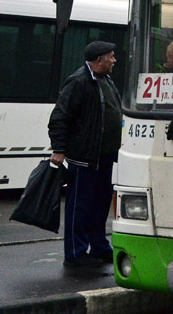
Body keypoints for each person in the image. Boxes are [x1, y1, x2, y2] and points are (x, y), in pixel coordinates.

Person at [48, 41, 122, 270]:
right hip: (84, 157)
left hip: (104, 156)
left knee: (100, 205)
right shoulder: (79, 81)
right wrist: (59, 149)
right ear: (99, 60)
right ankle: (75, 253)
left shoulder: (105, 79)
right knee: (79, 206)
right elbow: (60, 117)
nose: (114, 60)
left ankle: (99, 246)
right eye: (110, 56)